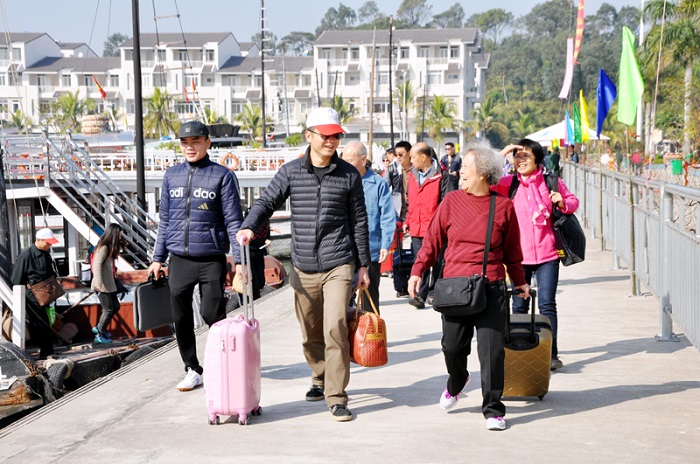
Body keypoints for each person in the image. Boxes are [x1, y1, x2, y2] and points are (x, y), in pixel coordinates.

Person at [237, 107, 370, 422]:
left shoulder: (349, 175)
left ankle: (336, 397)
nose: (331, 141)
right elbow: (267, 202)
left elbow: (359, 221)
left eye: (336, 135)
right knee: (311, 332)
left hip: (339, 262)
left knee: (335, 328)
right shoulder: (291, 172)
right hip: (303, 265)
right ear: (309, 136)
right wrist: (249, 226)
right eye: (325, 135)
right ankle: (319, 376)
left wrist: (363, 265)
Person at [408, 140, 530, 431]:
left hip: (491, 287)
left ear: (483, 174)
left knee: (492, 353)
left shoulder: (503, 206)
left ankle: (494, 409)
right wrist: (417, 270)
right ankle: (457, 380)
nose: (459, 171)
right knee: (452, 348)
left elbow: (512, 252)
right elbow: (432, 241)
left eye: (465, 167)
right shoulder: (451, 202)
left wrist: (521, 282)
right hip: (455, 287)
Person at [148, 120, 244, 392]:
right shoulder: (171, 176)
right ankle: (192, 369)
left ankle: (223, 360)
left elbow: (233, 221)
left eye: (195, 142)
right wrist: (158, 258)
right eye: (185, 143)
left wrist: (240, 261)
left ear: (207, 143)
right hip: (179, 259)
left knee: (211, 313)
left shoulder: (222, 176)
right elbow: (166, 221)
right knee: (180, 318)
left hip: (211, 257)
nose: (190, 147)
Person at [496, 138, 580, 370]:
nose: (520, 161)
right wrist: (503, 153)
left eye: (526, 156)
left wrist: (562, 202)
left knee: (547, 304)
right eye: (517, 157)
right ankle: (519, 351)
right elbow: (484, 177)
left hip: (548, 255)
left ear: (537, 159)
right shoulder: (507, 183)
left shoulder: (551, 181)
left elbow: (573, 201)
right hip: (517, 258)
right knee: (519, 306)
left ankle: (550, 354)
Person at [341, 141, 396, 312]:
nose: (345, 164)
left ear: (363, 160)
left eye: (349, 160)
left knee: (369, 297)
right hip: (344, 251)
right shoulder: (339, 182)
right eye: (343, 160)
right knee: (342, 300)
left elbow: (387, 216)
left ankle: (371, 329)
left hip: (371, 249)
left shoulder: (379, 184)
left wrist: (385, 245)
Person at [404, 142, 455, 309]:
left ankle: (435, 292)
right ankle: (420, 295)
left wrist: (442, 225)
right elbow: (410, 202)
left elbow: (447, 203)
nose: (411, 161)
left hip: (436, 230)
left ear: (423, 157)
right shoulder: (411, 176)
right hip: (416, 228)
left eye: (413, 157)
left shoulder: (442, 176)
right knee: (420, 261)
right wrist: (407, 221)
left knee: (439, 262)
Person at [10, 228, 61, 359]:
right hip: (31, 296)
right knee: (41, 323)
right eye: (47, 242)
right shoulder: (25, 256)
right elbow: (16, 279)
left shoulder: (46, 255)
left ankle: (46, 351)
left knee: (45, 322)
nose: (49, 245)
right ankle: (46, 352)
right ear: (39, 240)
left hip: (46, 294)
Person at [90, 223, 124, 344]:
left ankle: (100, 327)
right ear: (114, 235)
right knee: (108, 309)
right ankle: (99, 333)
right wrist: (98, 282)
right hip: (102, 285)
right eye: (119, 235)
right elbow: (97, 265)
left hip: (109, 285)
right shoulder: (103, 248)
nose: (120, 238)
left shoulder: (109, 248)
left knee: (116, 307)